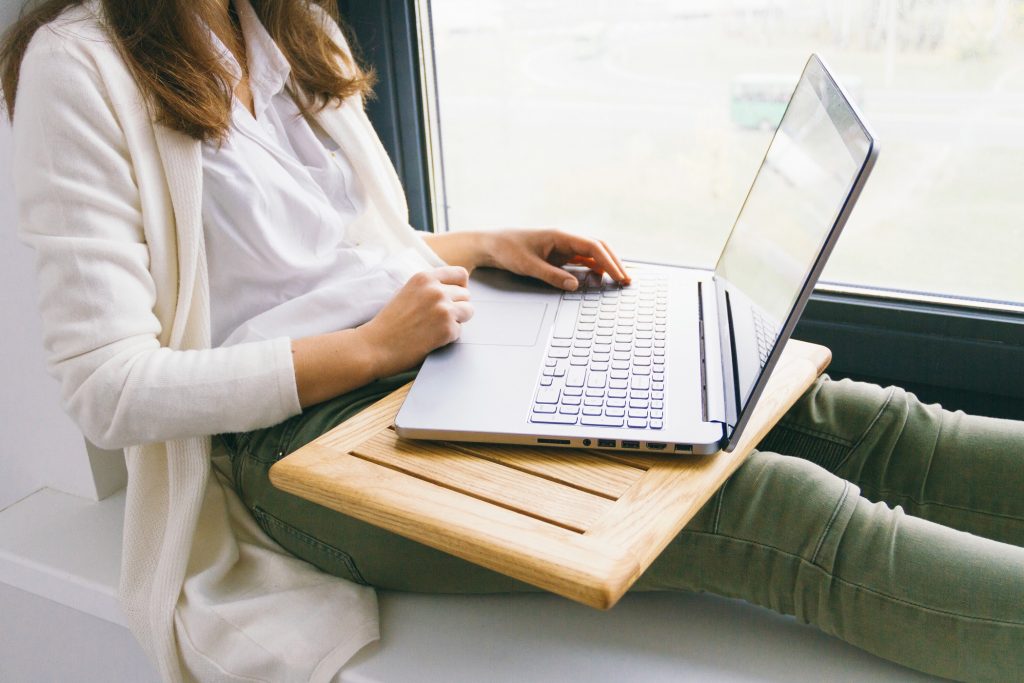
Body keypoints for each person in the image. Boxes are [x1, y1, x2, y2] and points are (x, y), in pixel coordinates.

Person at [2, 1, 1021, 681]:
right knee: (773, 511)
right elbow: (108, 386)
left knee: (857, 420)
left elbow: (319, 256)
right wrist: (365, 349)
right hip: (302, 444)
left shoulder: (281, 19)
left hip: (425, 347)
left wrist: (482, 246)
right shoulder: (79, 70)